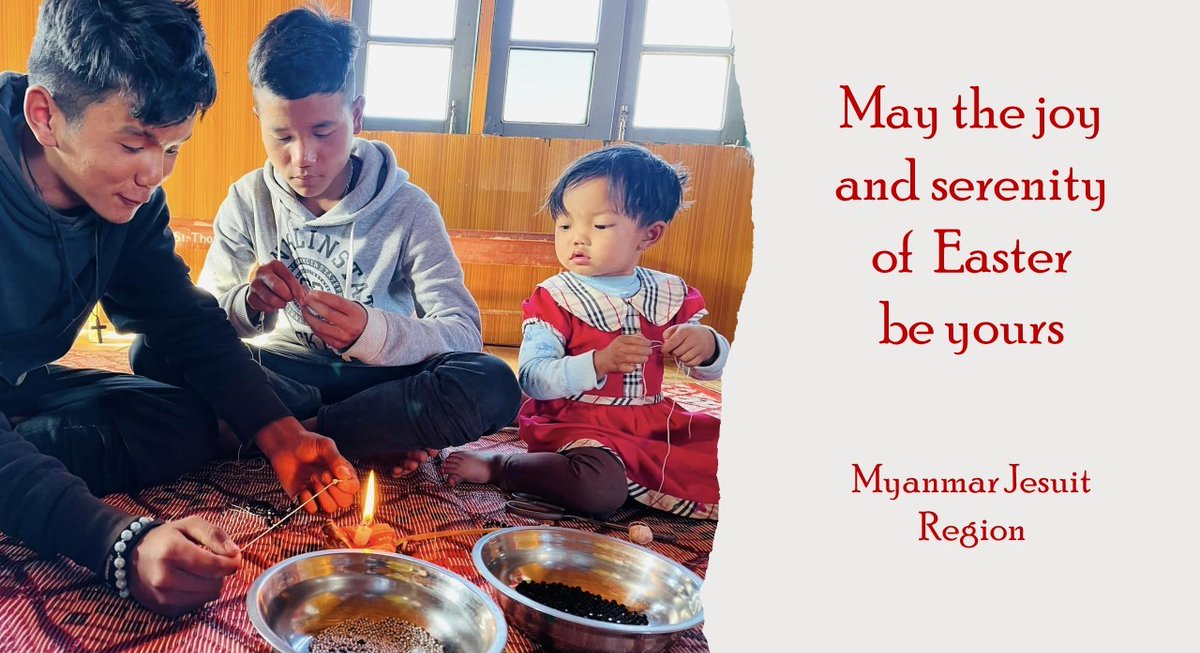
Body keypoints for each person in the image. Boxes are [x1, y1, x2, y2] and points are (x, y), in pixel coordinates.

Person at [0, 0, 360, 618]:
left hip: (21, 382)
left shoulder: (128, 203)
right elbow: (118, 544)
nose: (153, 174)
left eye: (173, 148)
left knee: (193, 421)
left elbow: (183, 320)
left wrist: (280, 434)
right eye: (134, 143)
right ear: (45, 115)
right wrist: (119, 543)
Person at [131, 7, 521, 476]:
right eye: (282, 136)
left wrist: (371, 333)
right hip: (282, 377)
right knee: (153, 348)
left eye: (323, 132)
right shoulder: (248, 198)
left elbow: (463, 332)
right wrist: (250, 304)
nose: (303, 158)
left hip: (377, 384)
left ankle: (283, 434)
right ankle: (366, 437)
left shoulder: (410, 208)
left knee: (492, 382)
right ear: (259, 119)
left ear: (355, 115)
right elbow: (205, 321)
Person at [443, 144, 728, 520]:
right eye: (565, 225)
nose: (577, 238)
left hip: (651, 425)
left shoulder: (668, 294)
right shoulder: (556, 298)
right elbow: (534, 377)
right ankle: (503, 465)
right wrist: (598, 363)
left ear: (649, 235)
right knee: (598, 490)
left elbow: (708, 370)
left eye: (599, 225)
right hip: (578, 423)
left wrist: (708, 347)